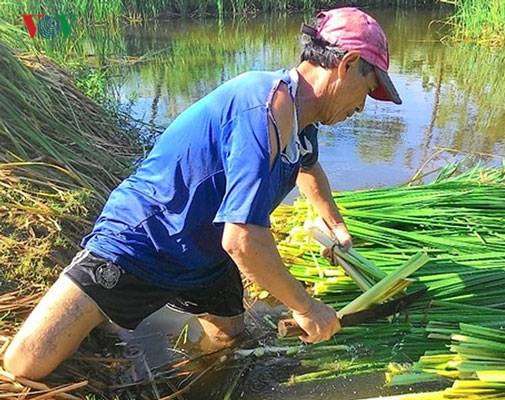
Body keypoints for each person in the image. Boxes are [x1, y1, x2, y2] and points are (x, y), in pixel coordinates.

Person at [4, 7, 402, 380]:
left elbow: (308, 167)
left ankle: (179, 379)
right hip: (145, 240)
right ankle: (99, 317)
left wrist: (335, 225)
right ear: (347, 64)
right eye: (367, 90)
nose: (363, 107)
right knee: (26, 364)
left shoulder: (304, 116)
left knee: (229, 335)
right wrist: (307, 307)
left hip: (204, 251)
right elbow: (242, 239)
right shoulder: (263, 108)